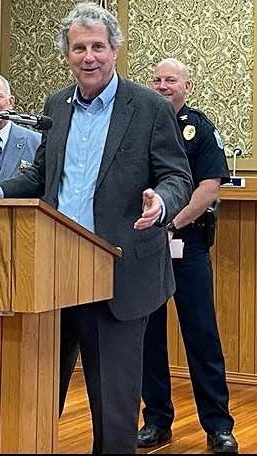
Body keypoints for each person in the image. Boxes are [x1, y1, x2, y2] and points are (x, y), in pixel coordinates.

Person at [0, 4, 192, 453]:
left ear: (115, 51)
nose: (89, 56)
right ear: (67, 55)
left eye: (98, 46)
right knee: (39, 395)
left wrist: (163, 201)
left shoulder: (150, 107)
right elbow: (42, 177)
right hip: (55, 272)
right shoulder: (54, 106)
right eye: (79, 48)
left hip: (121, 272)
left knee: (113, 409)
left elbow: (178, 176)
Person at [137, 58, 238, 454]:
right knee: (148, 336)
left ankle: (218, 426)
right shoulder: (140, 124)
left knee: (201, 334)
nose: (163, 86)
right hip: (145, 245)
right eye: (157, 80)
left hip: (186, 244)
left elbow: (209, 188)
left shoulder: (200, 128)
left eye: (171, 80)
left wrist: (170, 223)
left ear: (186, 87)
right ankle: (156, 421)